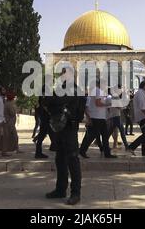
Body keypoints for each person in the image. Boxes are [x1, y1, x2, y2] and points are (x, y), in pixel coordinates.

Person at [43, 69, 86, 206]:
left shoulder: (73, 89)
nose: (61, 76)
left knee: (72, 159)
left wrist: (50, 97)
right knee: (60, 159)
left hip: (69, 128)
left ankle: (75, 193)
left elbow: (53, 100)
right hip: (59, 128)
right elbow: (47, 102)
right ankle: (61, 189)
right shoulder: (61, 88)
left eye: (64, 74)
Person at [79, 80, 116, 159]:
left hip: (100, 117)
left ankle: (107, 153)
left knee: (104, 136)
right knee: (91, 136)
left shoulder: (97, 91)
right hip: (96, 117)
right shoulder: (97, 91)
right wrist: (108, 104)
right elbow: (98, 103)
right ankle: (82, 150)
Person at [128, 80, 145, 156]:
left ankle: (144, 151)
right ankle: (131, 147)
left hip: (142, 117)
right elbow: (142, 107)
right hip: (143, 117)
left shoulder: (140, 93)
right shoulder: (141, 93)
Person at [107, 86, 129, 151]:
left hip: (113, 116)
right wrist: (123, 107)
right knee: (122, 131)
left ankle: (104, 144)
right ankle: (127, 146)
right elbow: (118, 107)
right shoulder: (116, 97)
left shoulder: (112, 97)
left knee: (110, 131)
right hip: (116, 116)